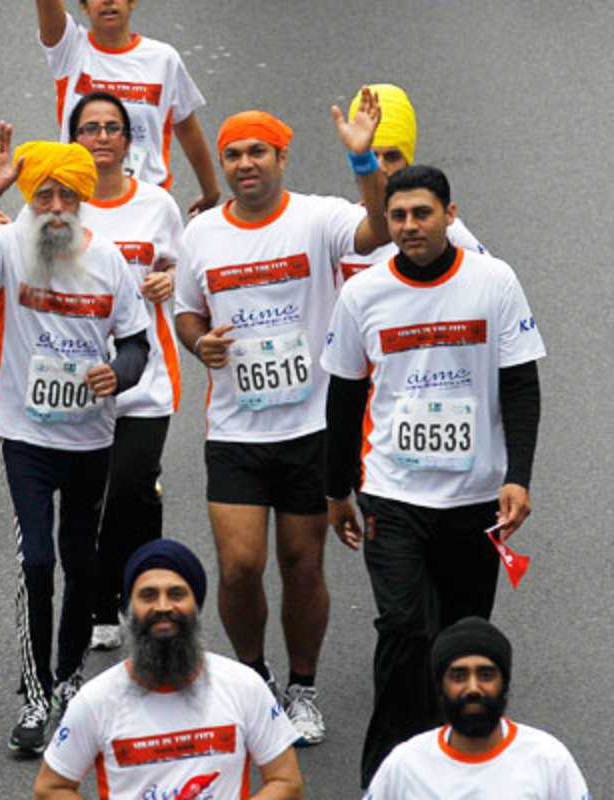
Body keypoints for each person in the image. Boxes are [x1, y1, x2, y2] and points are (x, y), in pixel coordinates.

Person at [173, 96, 392, 747]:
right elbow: (188, 310)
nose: (244, 164)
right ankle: (254, 679)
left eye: (256, 152)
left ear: (280, 159)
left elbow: (378, 230)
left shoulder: (317, 218)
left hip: (311, 429)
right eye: (233, 154)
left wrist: (362, 155)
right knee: (239, 567)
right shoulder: (202, 233)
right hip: (237, 430)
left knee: (302, 564)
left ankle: (303, 687)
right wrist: (198, 343)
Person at [321, 165, 545, 786]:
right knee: (402, 629)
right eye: (398, 217)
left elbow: (520, 385)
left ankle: (456, 769)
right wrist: (336, 488)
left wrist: (518, 476)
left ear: (450, 214)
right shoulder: (364, 292)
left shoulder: (492, 281)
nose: (410, 227)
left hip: (476, 499)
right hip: (393, 493)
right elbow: (343, 399)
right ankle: (387, 775)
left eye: (422, 214)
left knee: (462, 637)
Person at [0, 125, 151, 754]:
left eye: (66, 197)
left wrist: (121, 373)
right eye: (44, 196)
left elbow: (135, 341)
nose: (54, 208)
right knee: (36, 559)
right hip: (24, 432)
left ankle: (68, 675)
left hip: (89, 436)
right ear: (30, 199)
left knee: (82, 564)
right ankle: (33, 692)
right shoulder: (7, 245)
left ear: (83, 202)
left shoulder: (107, 260)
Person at [34, 539, 302, 799]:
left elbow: (286, 782)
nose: (163, 607)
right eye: (148, 595)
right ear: (129, 610)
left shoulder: (244, 686)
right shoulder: (96, 700)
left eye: (176, 594)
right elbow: (51, 789)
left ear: (195, 605)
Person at [67, 91, 185, 651]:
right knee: (94, 496)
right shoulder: (62, 203)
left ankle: (141, 593)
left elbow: (184, 271)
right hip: (78, 379)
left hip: (146, 375)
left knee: (133, 488)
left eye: (113, 128)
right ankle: (97, 605)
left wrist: (171, 282)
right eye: (90, 128)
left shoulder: (157, 205)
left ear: (129, 141)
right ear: (75, 140)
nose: (102, 137)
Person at [365, 617, 589, 798]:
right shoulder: (405, 767)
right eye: (458, 675)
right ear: (440, 686)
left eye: (486, 675)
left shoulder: (549, 761)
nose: (473, 688)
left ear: (504, 683)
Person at [35, 0, 220, 214]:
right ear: (84, 7)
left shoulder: (163, 59)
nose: (108, 1)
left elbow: (187, 127)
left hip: (146, 204)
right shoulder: (70, 48)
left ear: (132, 3)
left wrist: (211, 190)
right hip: (82, 202)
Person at [336, 84, 486, 282]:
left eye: (391, 157)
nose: (380, 167)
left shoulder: (447, 231)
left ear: (408, 161)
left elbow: (493, 288)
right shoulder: (340, 231)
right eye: (371, 157)